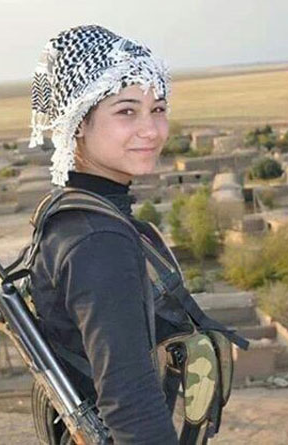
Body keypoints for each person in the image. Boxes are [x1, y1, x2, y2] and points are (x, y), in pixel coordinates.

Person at [24, 25, 244, 445]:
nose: (152, 130)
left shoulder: (76, 215)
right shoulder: (97, 241)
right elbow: (130, 404)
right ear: (78, 123)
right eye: (127, 111)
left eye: (158, 109)